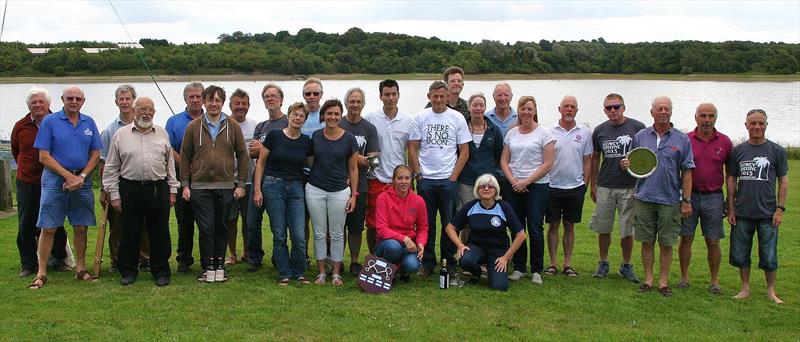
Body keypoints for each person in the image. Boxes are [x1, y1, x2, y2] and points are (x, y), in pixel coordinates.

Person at [29, 86, 102, 289]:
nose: (74, 101)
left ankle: (80, 268)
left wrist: (82, 176)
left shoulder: (89, 122)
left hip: (82, 181)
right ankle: (41, 272)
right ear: (62, 99)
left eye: (78, 98)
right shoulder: (50, 122)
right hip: (55, 181)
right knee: (49, 226)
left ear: (83, 101)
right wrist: (68, 176)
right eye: (70, 98)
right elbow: (43, 156)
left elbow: (96, 154)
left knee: (81, 226)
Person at [621, 96, 694, 297]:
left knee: (667, 242)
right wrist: (626, 165)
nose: (663, 112)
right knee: (646, 241)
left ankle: (663, 283)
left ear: (671, 112)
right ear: (652, 112)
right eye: (659, 109)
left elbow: (687, 171)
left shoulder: (682, 138)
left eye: (666, 109)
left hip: (670, 199)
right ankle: (648, 280)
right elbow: (633, 162)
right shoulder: (641, 136)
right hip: (644, 197)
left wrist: (686, 200)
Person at [102, 97, 179, 286]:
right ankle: (128, 271)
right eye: (142, 109)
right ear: (134, 111)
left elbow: (169, 163)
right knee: (130, 231)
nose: (146, 113)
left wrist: (173, 189)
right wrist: (114, 194)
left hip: (158, 188)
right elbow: (111, 167)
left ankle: (161, 271)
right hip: (130, 187)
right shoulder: (121, 134)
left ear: (154, 112)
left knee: (160, 232)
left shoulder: (162, 133)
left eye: (150, 109)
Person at [180, 85, 248, 282]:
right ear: (204, 102)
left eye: (218, 100)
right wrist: (185, 184)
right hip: (200, 187)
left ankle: (220, 266)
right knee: (207, 227)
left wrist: (241, 184)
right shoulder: (193, 127)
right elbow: (185, 155)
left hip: (226, 186)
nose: (214, 104)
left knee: (222, 227)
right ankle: (207, 266)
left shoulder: (232, 125)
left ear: (222, 103)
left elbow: (242, 154)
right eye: (210, 100)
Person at [408, 80, 471, 281]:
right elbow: (412, 147)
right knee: (426, 224)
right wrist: (418, 173)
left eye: (442, 96)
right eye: (434, 96)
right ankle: (427, 262)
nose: (438, 100)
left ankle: (449, 262)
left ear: (447, 97)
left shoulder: (457, 117)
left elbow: (464, 151)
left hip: (447, 180)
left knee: (449, 224)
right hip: (426, 180)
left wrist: (453, 176)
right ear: (429, 97)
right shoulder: (421, 117)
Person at [727, 109, 788, 304]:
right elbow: (731, 180)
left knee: (769, 254)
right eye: (753, 123)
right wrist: (731, 207)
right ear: (746, 125)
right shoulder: (738, 151)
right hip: (743, 212)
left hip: (768, 213)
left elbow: (783, 182)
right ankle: (745, 288)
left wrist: (779, 209)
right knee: (740, 252)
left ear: (766, 125)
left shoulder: (776, 151)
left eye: (761, 123)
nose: (757, 127)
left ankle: (771, 290)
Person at [252, 102, 312, 285]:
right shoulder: (274, 136)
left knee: (299, 235)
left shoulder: (306, 142)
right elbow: (261, 163)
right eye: (295, 114)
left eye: (302, 116)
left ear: (305, 119)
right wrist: (257, 190)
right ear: (289, 115)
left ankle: (298, 272)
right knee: (279, 233)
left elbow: (311, 167)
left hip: (296, 188)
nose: (298, 118)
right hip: (273, 185)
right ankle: (284, 272)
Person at [12, 87, 70, 277]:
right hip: (29, 181)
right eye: (34, 102)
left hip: (54, 180)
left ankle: (60, 259)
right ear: (29, 105)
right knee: (27, 223)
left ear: (49, 104)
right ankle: (28, 264)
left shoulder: (59, 122)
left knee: (56, 222)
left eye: (41, 102)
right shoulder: (20, 126)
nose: (37, 105)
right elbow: (16, 151)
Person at [588, 93, 644, 282]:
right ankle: (603, 263)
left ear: (623, 107)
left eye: (616, 107)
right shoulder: (599, 130)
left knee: (627, 229)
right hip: (605, 185)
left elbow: (645, 156)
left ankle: (626, 266)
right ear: (604, 110)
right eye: (608, 108)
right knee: (604, 227)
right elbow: (595, 157)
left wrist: (633, 165)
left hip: (630, 186)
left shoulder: (637, 127)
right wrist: (593, 184)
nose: (613, 111)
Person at [500, 96, 555, 284]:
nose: (526, 112)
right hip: (513, 186)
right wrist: (514, 181)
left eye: (529, 109)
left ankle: (537, 269)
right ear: (518, 110)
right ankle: (520, 267)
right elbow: (504, 160)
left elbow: (548, 164)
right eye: (522, 108)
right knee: (516, 227)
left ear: (535, 111)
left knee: (535, 227)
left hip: (537, 186)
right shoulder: (511, 133)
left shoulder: (544, 133)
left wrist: (526, 182)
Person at [678, 103, 731, 294]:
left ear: (715, 118)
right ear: (695, 117)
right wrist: (682, 199)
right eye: (703, 116)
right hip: (689, 196)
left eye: (710, 116)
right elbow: (679, 169)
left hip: (714, 197)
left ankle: (714, 281)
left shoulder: (724, 141)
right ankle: (684, 278)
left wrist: (729, 203)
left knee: (713, 240)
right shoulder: (686, 140)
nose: (706, 120)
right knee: (686, 238)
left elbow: (730, 175)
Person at [305, 99, 359, 286]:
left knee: (337, 233)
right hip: (315, 189)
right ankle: (321, 273)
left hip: (340, 192)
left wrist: (353, 195)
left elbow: (353, 169)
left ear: (340, 115)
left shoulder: (349, 139)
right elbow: (310, 160)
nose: (333, 117)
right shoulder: (316, 136)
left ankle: (336, 273)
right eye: (329, 113)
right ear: (323, 116)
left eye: (336, 114)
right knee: (319, 233)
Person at [445, 174, 526, 291]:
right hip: (476, 247)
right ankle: (477, 273)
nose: (486, 189)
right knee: (465, 259)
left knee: (499, 286)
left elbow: (521, 235)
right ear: (477, 189)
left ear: (496, 190)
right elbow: (450, 228)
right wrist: (460, 245)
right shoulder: (471, 206)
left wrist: (506, 257)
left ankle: (492, 270)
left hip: (497, 251)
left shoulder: (503, 207)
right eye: (482, 186)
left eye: (490, 186)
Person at [100, 85, 150, 273]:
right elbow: (104, 164)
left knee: (143, 224)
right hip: (119, 185)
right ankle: (117, 260)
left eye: (128, 99)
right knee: (118, 226)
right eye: (121, 99)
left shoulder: (147, 125)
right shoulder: (109, 131)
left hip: (141, 185)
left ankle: (144, 259)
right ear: (116, 102)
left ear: (134, 102)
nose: (125, 102)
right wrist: (106, 190)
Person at [363, 79, 412, 254]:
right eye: (387, 94)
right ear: (380, 96)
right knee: (373, 223)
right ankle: (373, 258)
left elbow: (411, 151)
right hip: (376, 179)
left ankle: (396, 260)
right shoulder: (370, 119)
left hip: (399, 181)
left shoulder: (408, 121)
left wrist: (411, 178)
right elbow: (367, 149)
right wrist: (372, 168)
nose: (390, 98)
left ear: (398, 95)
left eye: (394, 94)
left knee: (399, 222)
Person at [545, 96, 592, 277]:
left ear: (577, 111)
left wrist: (584, 184)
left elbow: (587, 160)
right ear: (560, 109)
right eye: (566, 106)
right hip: (553, 185)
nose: (569, 110)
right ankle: (553, 263)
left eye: (573, 107)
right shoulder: (549, 131)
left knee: (570, 226)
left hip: (575, 187)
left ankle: (567, 264)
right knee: (553, 225)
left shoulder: (585, 132)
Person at [245, 83, 289, 272]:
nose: (270, 99)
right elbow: (252, 153)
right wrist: (267, 150)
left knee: (278, 225)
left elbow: (287, 150)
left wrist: (265, 150)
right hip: (259, 178)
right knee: (252, 222)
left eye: (273, 96)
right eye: (266, 96)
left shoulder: (287, 123)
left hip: (278, 179)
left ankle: (279, 259)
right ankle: (255, 258)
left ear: (281, 100)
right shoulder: (261, 126)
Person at [339, 88, 379, 276]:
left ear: (363, 104)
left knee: (355, 227)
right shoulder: (337, 123)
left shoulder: (369, 128)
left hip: (361, 186)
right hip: (337, 183)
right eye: (351, 101)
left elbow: (373, 160)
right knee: (337, 227)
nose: (355, 104)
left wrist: (353, 159)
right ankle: (336, 260)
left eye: (358, 101)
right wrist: (357, 159)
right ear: (346, 103)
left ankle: (354, 261)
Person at [165, 81, 204, 273]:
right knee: (185, 221)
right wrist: (187, 165)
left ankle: (209, 257)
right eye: (191, 96)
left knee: (208, 221)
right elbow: (169, 149)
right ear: (185, 99)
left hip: (208, 180)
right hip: (183, 179)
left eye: (198, 96)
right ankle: (184, 259)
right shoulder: (174, 122)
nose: (195, 100)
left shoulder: (215, 119)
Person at [374, 165, 428, 282]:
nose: (403, 182)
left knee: (413, 265)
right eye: (400, 178)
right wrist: (404, 239)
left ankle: (403, 270)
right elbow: (381, 229)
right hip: (387, 243)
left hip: (408, 246)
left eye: (407, 178)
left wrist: (420, 243)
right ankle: (388, 273)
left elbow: (423, 227)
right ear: (393, 180)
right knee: (394, 247)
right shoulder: (383, 198)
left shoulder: (418, 200)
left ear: (411, 180)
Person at [224, 89, 258, 266]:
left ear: (249, 106)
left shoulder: (254, 126)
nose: (241, 107)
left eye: (244, 104)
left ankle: (247, 252)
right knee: (230, 220)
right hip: (228, 181)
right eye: (237, 103)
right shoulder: (224, 124)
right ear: (230, 105)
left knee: (248, 219)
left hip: (250, 180)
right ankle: (232, 253)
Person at [456, 93, 504, 214]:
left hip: (487, 181)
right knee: (467, 216)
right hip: (466, 181)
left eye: (481, 105)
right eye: (475, 105)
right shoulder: (461, 128)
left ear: (485, 107)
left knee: (486, 214)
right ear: (469, 107)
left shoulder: (494, 130)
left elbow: (498, 155)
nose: (478, 108)